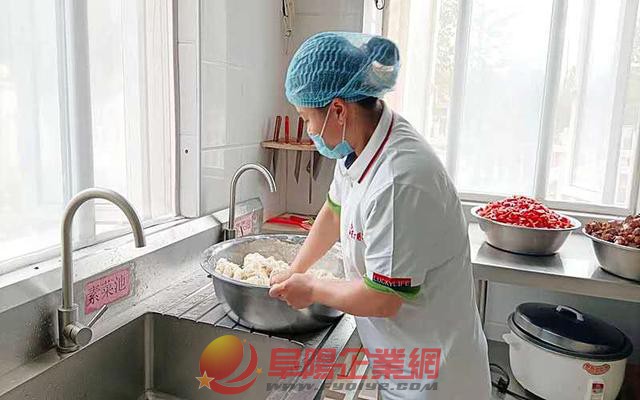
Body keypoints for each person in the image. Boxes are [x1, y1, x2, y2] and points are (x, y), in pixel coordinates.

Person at [269, 32, 491, 400]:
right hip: (402, 362)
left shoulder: (399, 180)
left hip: (437, 378)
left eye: (307, 119)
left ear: (338, 110)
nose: (309, 132)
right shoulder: (357, 145)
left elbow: (383, 298)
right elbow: (334, 211)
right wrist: (296, 269)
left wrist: (312, 288)